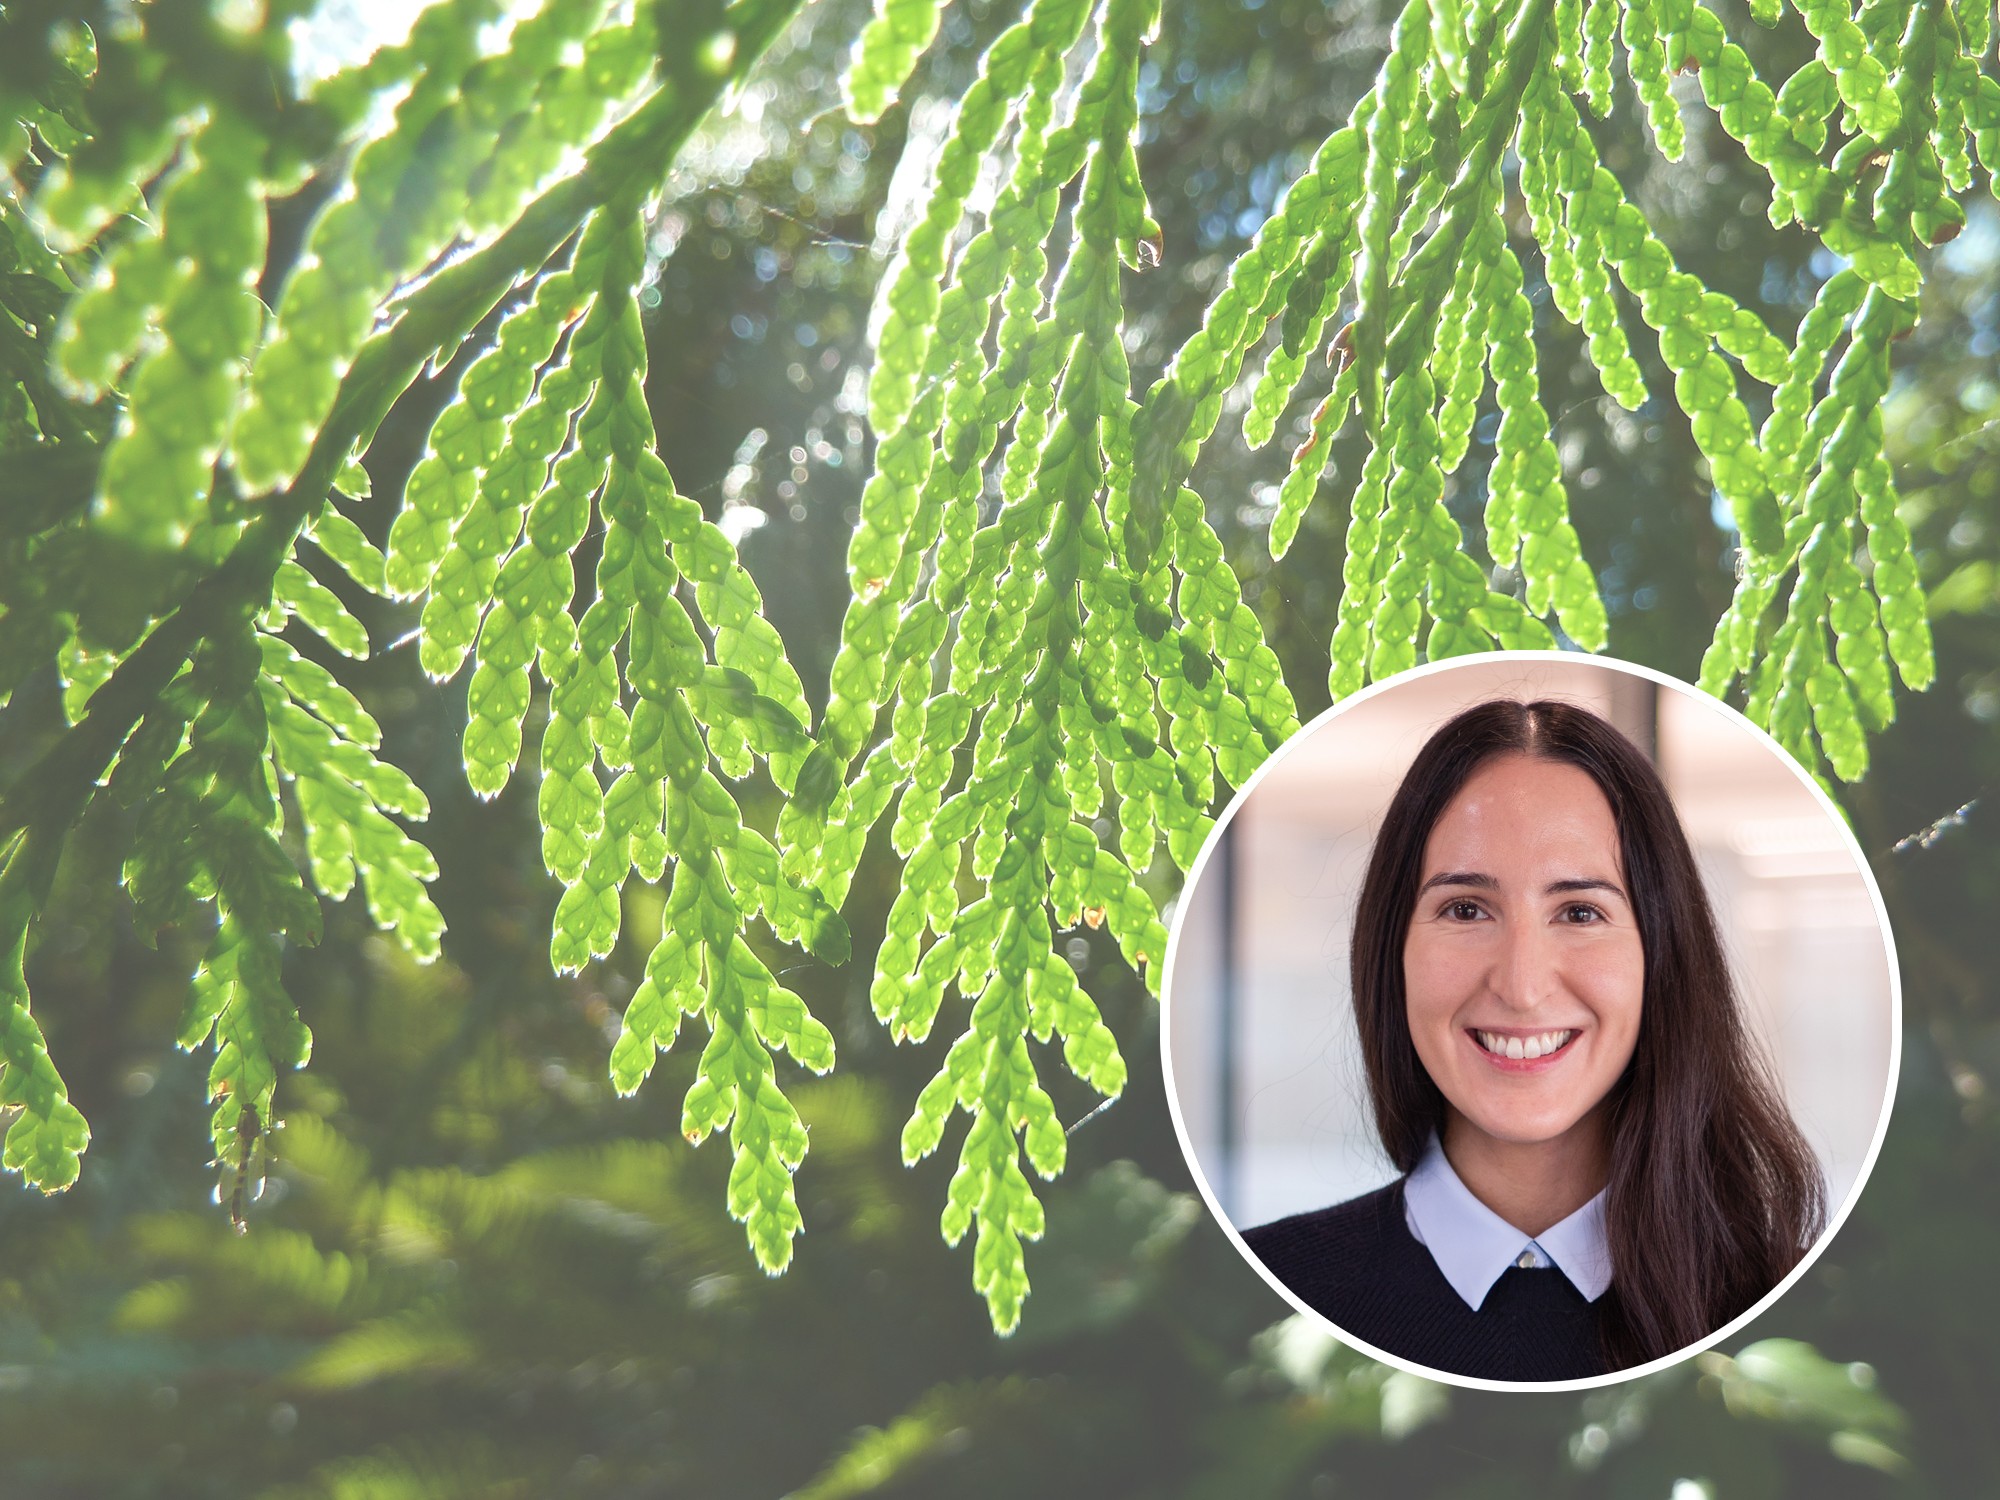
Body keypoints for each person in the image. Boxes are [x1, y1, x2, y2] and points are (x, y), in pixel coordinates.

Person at [1243, 698, 1825, 1381]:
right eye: (1465, 909)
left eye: (1580, 911)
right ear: (1391, 948)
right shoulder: (1258, 1296)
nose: (1521, 986)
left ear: (1663, 954)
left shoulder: (1791, 1300)